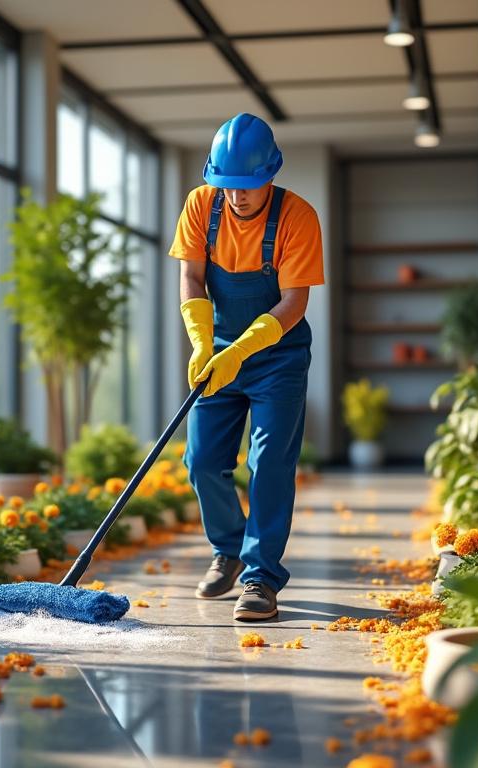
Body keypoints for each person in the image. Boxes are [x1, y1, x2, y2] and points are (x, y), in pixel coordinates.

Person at [169, 113, 324, 621]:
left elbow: (293, 303)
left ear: (270, 174)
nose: (236, 196)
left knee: (269, 464)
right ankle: (229, 550)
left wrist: (243, 351)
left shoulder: (297, 217)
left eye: (248, 185)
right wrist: (203, 343)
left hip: (276, 356)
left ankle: (260, 576)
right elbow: (192, 278)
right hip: (217, 350)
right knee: (201, 460)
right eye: (226, 185)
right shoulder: (200, 205)